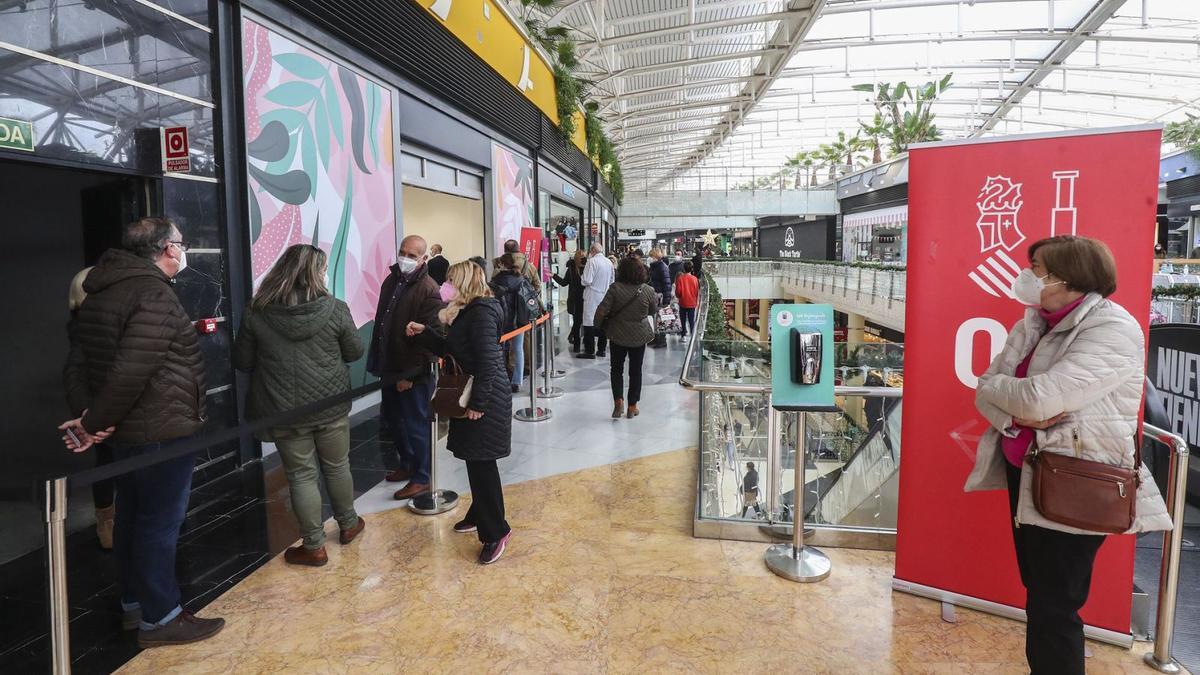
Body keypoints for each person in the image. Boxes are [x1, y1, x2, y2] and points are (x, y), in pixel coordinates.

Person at [967, 235, 1171, 675]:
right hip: (1027, 475)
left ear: (1068, 275)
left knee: (1056, 605)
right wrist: (1013, 414)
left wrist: (1014, 400)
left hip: (1074, 481)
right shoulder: (1034, 323)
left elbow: (1039, 399)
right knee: (1040, 593)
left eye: (1035, 266)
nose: (1027, 274)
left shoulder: (1112, 328)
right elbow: (985, 389)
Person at [60, 217, 224, 647]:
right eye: (181, 244)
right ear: (167, 249)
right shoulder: (152, 294)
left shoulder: (101, 291)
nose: (183, 251)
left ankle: (135, 604)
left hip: (129, 429)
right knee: (157, 524)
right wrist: (93, 423)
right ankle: (162, 617)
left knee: (132, 517)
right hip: (161, 426)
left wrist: (89, 416)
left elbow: (79, 364)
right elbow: (132, 370)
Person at [233, 244, 366, 567]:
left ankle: (314, 545)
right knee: (337, 466)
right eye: (321, 270)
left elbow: (242, 361)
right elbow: (354, 352)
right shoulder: (335, 309)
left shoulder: (257, 311)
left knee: (301, 475)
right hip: (330, 405)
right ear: (314, 274)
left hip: (284, 410)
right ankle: (348, 524)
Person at [407, 262, 512, 564]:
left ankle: (496, 531)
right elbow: (453, 351)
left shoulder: (480, 313)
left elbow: (489, 362)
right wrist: (425, 333)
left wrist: (479, 405)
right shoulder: (466, 311)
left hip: (484, 398)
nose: (445, 285)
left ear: (463, 282)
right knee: (474, 458)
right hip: (472, 394)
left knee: (482, 464)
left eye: (450, 280)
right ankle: (479, 513)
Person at [367, 235, 443, 501]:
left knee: (415, 424)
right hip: (390, 365)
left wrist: (412, 375)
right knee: (393, 420)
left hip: (412, 372)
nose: (405, 258)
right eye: (402, 252)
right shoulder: (392, 280)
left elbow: (429, 337)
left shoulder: (429, 288)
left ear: (423, 258)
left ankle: (422, 476)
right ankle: (407, 464)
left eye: (412, 255)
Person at [66, 265, 116, 550]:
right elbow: (74, 372)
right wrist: (87, 414)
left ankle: (108, 521)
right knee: (108, 463)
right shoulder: (86, 328)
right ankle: (106, 521)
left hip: (107, 407)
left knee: (108, 462)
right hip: (104, 409)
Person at [594, 256, 658, 419]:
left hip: (618, 334)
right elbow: (652, 310)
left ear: (621, 271)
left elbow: (602, 310)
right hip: (639, 335)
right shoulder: (648, 290)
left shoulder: (615, 288)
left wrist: (598, 326)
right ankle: (632, 406)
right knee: (636, 371)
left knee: (616, 370)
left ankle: (618, 402)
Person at [491, 254, 530, 392]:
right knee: (518, 349)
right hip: (519, 320)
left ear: (502, 264)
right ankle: (517, 381)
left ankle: (501, 379)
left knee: (500, 349)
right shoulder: (520, 278)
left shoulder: (496, 279)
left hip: (501, 320)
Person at [579, 243, 615, 359]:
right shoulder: (609, 262)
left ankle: (589, 351)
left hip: (592, 295)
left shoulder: (592, 261)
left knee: (589, 322)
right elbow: (612, 280)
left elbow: (586, 280)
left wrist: (582, 278)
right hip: (604, 294)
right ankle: (602, 349)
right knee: (602, 321)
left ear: (593, 250)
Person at [553, 249, 586, 352]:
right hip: (578, 300)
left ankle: (577, 341)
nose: (583, 259)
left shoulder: (587, 268)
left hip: (580, 299)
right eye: (582, 257)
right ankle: (576, 343)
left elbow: (564, 283)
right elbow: (564, 282)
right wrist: (554, 276)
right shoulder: (572, 269)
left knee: (579, 322)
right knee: (578, 322)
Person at [675, 261, 699, 341]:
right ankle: (693, 336)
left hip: (682, 302)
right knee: (691, 320)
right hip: (692, 303)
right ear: (692, 268)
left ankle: (683, 335)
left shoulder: (680, 278)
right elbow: (697, 292)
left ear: (684, 268)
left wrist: (679, 296)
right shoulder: (695, 279)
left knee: (683, 319)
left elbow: (678, 291)